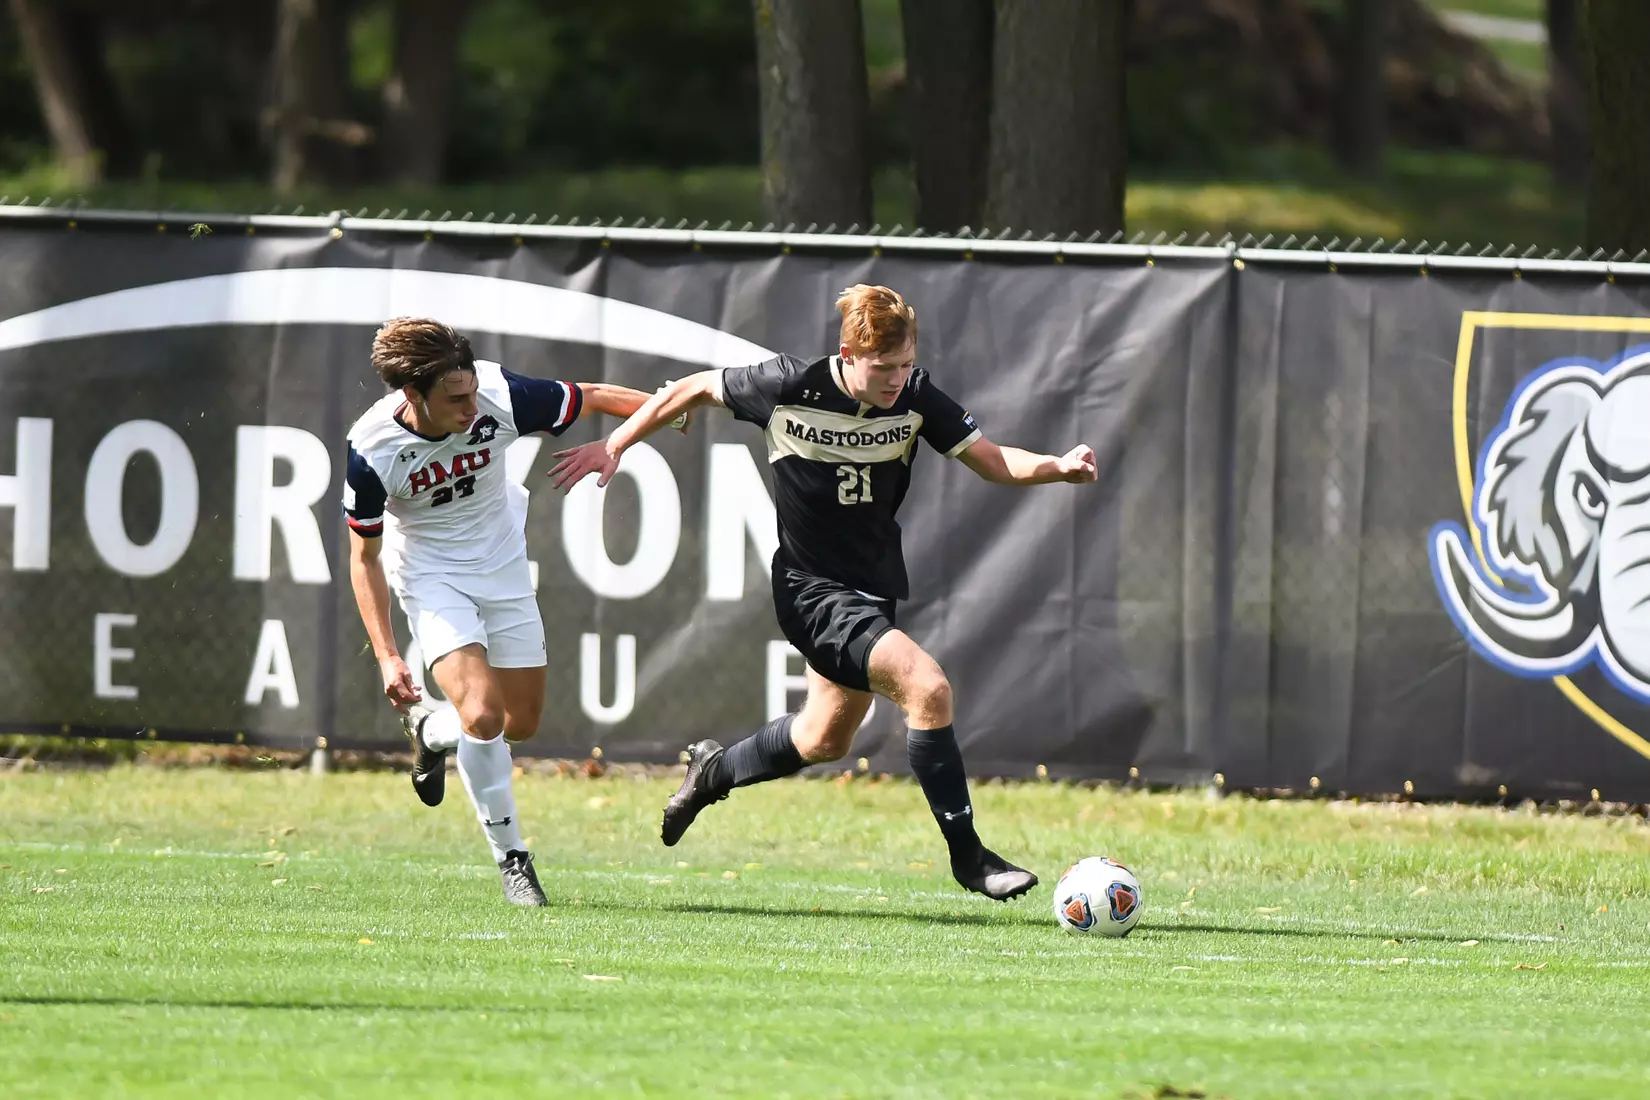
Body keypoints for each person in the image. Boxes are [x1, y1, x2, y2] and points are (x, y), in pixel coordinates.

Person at [548, 285, 1098, 901]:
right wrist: (614, 444)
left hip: (871, 590)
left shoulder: (916, 399)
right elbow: (694, 387)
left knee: (823, 738)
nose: (897, 378)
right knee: (928, 687)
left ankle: (712, 771)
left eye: (906, 363)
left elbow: (993, 461)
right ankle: (970, 859)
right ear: (848, 354)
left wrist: (1057, 465)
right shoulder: (788, 385)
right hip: (811, 590)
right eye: (883, 367)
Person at [343, 317, 668, 907]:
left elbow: (591, 396)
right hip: (431, 576)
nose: (471, 407)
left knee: (520, 724)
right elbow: (363, 557)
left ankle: (431, 729)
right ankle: (512, 858)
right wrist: (389, 656)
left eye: (471, 391)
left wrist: (664, 407)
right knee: (486, 715)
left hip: (504, 567)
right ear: (412, 396)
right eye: (454, 399)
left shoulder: (499, 392)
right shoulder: (371, 449)